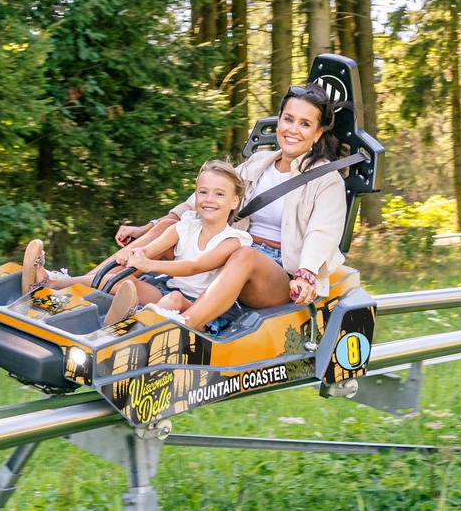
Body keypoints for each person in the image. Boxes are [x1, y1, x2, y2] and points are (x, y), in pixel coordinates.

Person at [117, 82, 348, 330]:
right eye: (288, 119)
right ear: (279, 120)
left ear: (317, 133)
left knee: (244, 255)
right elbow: (210, 195)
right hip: (232, 249)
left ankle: (182, 326)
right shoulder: (258, 162)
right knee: (171, 227)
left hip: (279, 272)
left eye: (305, 124)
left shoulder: (327, 180)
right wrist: (151, 225)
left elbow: (321, 234)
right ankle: (96, 284)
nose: (293, 129)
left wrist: (305, 272)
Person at [21, 160, 252, 325]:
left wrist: (150, 265)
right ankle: (51, 283)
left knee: (174, 299)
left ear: (234, 202)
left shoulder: (233, 240)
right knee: (125, 281)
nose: (209, 200)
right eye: (203, 192)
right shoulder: (184, 226)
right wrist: (131, 255)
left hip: (201, 310)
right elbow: (148, 250)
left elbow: (195, 266)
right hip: (168, 292)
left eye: (219, 194)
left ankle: (128, 324)